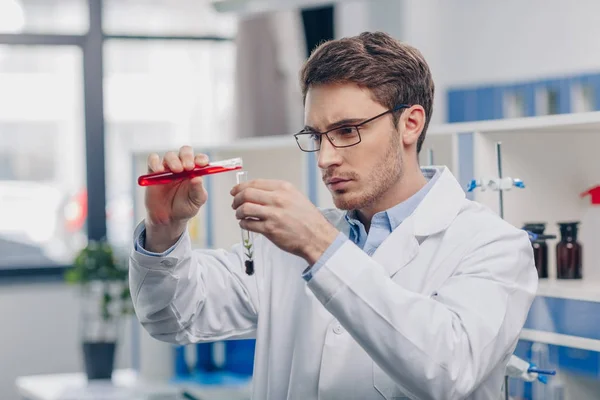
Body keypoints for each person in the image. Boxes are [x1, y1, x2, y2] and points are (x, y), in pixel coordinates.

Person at [130, 31, 538, 400]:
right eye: (316, 136)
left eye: (347, 131)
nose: (325, 158)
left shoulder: (494, 246)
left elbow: (449, 371)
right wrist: (165, 228)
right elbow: (173, 317)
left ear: (410, 123)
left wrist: (320, 247)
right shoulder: (285, 244)